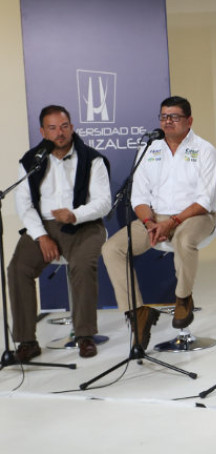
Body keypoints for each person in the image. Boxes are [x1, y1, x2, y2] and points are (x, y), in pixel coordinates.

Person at [102, 96, 216, 350]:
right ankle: (137, 314)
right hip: (154, 219)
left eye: (174, 117)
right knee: (112, 248)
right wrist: (149, 222)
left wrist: (173, 222)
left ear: (189, 121)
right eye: (164, 117)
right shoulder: (150, 150)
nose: (168, 122)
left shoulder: (204, 149)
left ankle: (183, 299)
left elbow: (205, 199)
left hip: (195, 216)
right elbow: (139, 196)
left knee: (184, 239)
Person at [9, 105, 111, 361]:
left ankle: (85, 335)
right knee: (17, 269)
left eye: (64, 126)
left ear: (72, 127)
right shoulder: (30, 161)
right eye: (52, 128)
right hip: (43, 226)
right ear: (43, 131)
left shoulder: (92, 159)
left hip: (84, 224)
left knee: (82, 265)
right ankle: (27, 341)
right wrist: (41, 236)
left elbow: (104, 202)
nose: (60, 133)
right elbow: (24, 203)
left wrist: (75, 215)